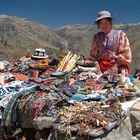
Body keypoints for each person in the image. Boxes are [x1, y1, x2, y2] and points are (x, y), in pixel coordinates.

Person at [90, 11, 132, 76]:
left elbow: (125, 53)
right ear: (99, 25)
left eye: (106, 22)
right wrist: (96, 63)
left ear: (110, 22)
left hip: (118, 66)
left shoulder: (120, 35)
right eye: (101, 23)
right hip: (101, 66)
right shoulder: (97, 37)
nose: (104, 25)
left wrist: (116, 65)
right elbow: (94, 54)